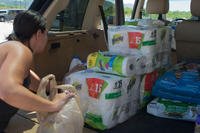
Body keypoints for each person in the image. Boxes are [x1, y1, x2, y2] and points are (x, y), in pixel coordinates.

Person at [0, 10, 75, 132]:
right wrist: (53, 105)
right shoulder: (21, 50)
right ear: (39, 33)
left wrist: (56, 91)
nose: (47, 38)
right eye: (47, 33)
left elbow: (34, 82)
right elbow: (8, 90)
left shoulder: (10, 47)